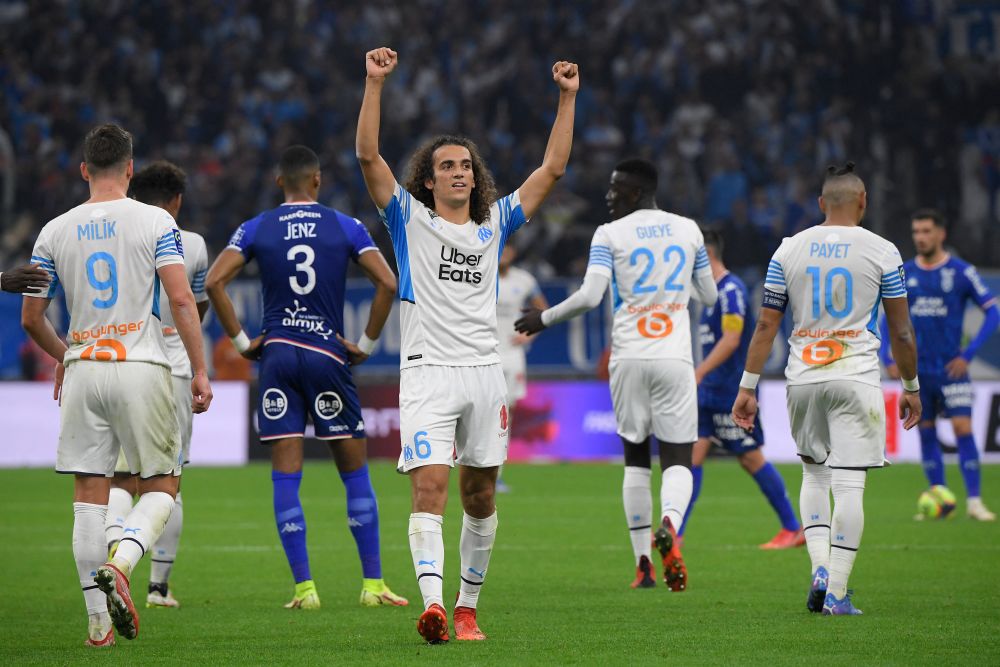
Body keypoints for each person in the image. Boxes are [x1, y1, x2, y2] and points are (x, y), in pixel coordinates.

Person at [357, 46, 577, 642]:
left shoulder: (494, 224)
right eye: (448, 166)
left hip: (485, 374)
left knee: (480, 495)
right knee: (428, 487)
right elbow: (368, 156)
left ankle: (466, 606)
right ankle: (432, 605)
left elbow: (552, 169)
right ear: (428, 181)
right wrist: (375, 84)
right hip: (428, 372)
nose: (460, 172)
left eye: (466, 166)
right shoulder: (408, 220)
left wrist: (567, 98)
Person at [21, 124, 212, 645]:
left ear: (84, 170)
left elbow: (31, 317)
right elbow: (179, 299)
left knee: (89, 497)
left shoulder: (53, 230)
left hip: (84, 369)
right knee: (163, 486)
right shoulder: (155, 221)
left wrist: (68, 356)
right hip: (141, 365)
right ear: (130, 168)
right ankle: (124, 565)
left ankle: (97, 628)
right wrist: (198, 368)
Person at [205, 145, 406, 610]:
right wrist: (367, 343)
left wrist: (241, 343)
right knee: (353, 471)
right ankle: (372, 586)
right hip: (327, 353)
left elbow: (215, 281)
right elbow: (389, 283)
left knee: (285, 475)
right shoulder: (345, 226)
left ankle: (304, 589)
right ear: (317, 180)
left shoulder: (255, 227)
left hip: (276, 354)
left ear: (280, 182)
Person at [516, 158, 718, 592]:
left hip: (627, 358)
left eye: (613, 189)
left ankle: (643, 565)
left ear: (634, 191)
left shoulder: (608, 235)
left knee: (636, 460)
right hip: (673, 357)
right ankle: (670, 524)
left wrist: (544, 317)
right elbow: (710, 294)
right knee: (679, 458)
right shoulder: (689, 230)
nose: (607, 196)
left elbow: (590, 295)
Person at [732, 162, 921, 616]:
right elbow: (902, 332)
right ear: (863, 203)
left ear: (820, 204)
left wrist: (748, 386)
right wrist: (911, 386)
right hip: (855, 375)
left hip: (803, 378)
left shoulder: (788, 250)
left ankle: (818, 567)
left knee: (813, 473)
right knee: (850, 484)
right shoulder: (882, 251)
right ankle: (837, 592)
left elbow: (765, 324)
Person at [103, 161, 210, 608]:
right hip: (176, 372)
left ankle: (113, 554)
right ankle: (156, 587)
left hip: (122, 362)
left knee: (119, 477)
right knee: (169, 480)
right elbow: (193, 305)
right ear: (178, 200)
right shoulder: (195, 245)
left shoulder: (115, 235)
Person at [683, 229, 803, 549]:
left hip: (729, 389)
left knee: (750, 458)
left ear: (706, 256)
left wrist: (699, 371)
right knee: (692, 455)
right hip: (709, 389)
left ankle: (793, 527)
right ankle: (675, 535)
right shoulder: (710, 294)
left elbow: (732, 339)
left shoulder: (731, 290)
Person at [879, 209, 998, 521]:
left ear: (941, 234)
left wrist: (968, 355)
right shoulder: (904, 273)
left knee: (962, 428)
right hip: (917, 374)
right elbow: (884, 320)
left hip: (950, 370)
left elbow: (993, 313)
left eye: (926, 231)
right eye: (916, 231)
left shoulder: (961, 272)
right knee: (926, 433)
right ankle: (940, 499)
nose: (920, 237)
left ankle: (974, 501)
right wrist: (887, 358)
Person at [495, 244, 548, 492]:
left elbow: (544, 309)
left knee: (508, 413)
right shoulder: (480, 273)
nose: (504, 254)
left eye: (508, 250)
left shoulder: (524, 280)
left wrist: (530, 336)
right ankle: (475, 465)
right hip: (485, 351)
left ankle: (497, 474)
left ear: (514, 253)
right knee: (485, 410)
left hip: (513, 353)